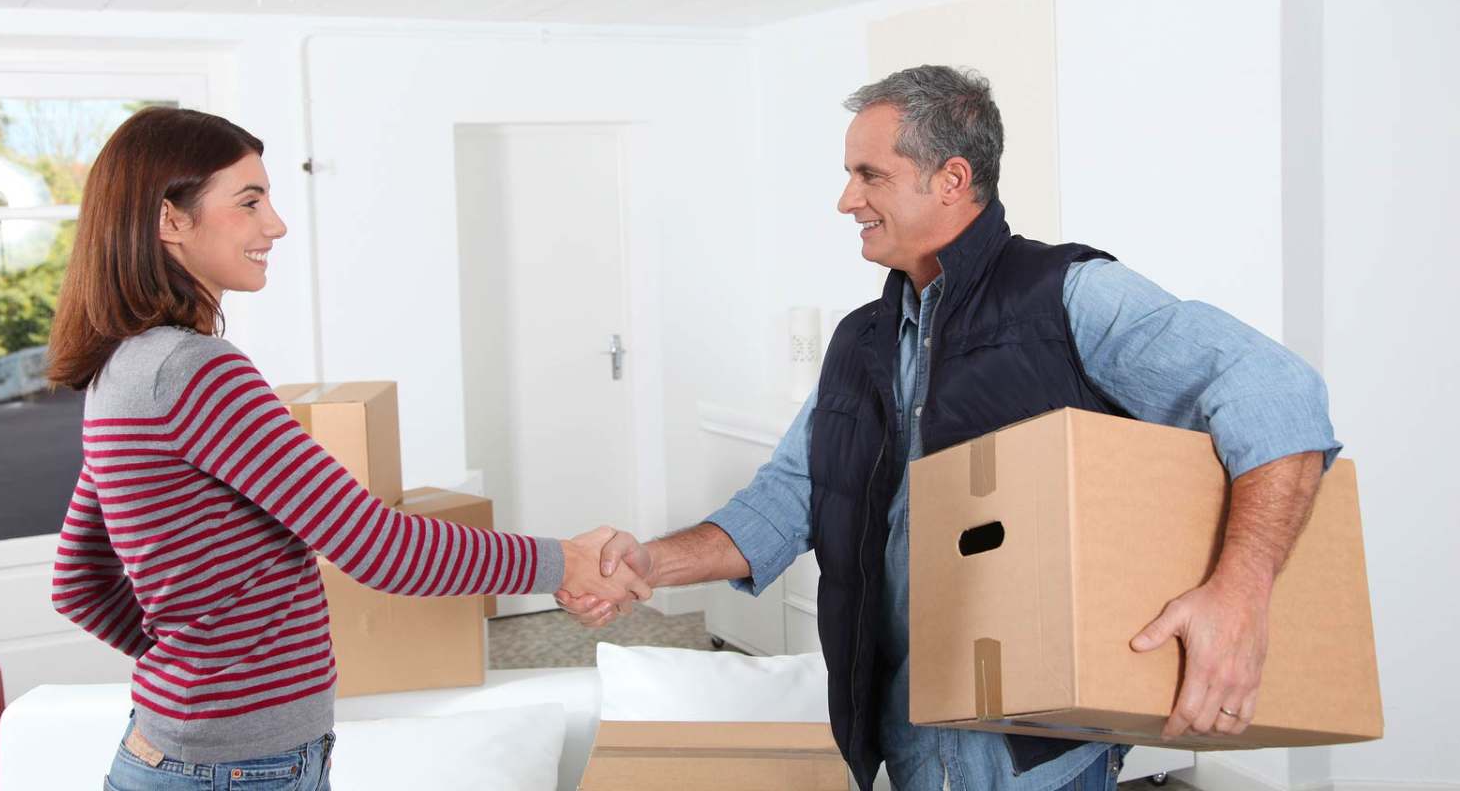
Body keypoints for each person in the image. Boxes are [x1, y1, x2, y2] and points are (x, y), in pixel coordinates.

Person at [556, 65, 1338, 791]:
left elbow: (1276, 390)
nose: (847, 201)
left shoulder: (1068, 296)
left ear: (952, 179)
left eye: (870, 175)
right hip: (904, 734)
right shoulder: (860, 340)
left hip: (1034, 748)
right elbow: (788, 499)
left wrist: (1240, 596)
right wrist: (649, 561)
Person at [47, 107, 649, 790]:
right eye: (249, 202)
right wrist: (568, 561)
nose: (275, 224)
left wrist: (195, 672)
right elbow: (378, 547)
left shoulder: (122, 370)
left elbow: (77, 583)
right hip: (236, 770)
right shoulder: (193, 371)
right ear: (170, 220)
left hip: (175, 752)